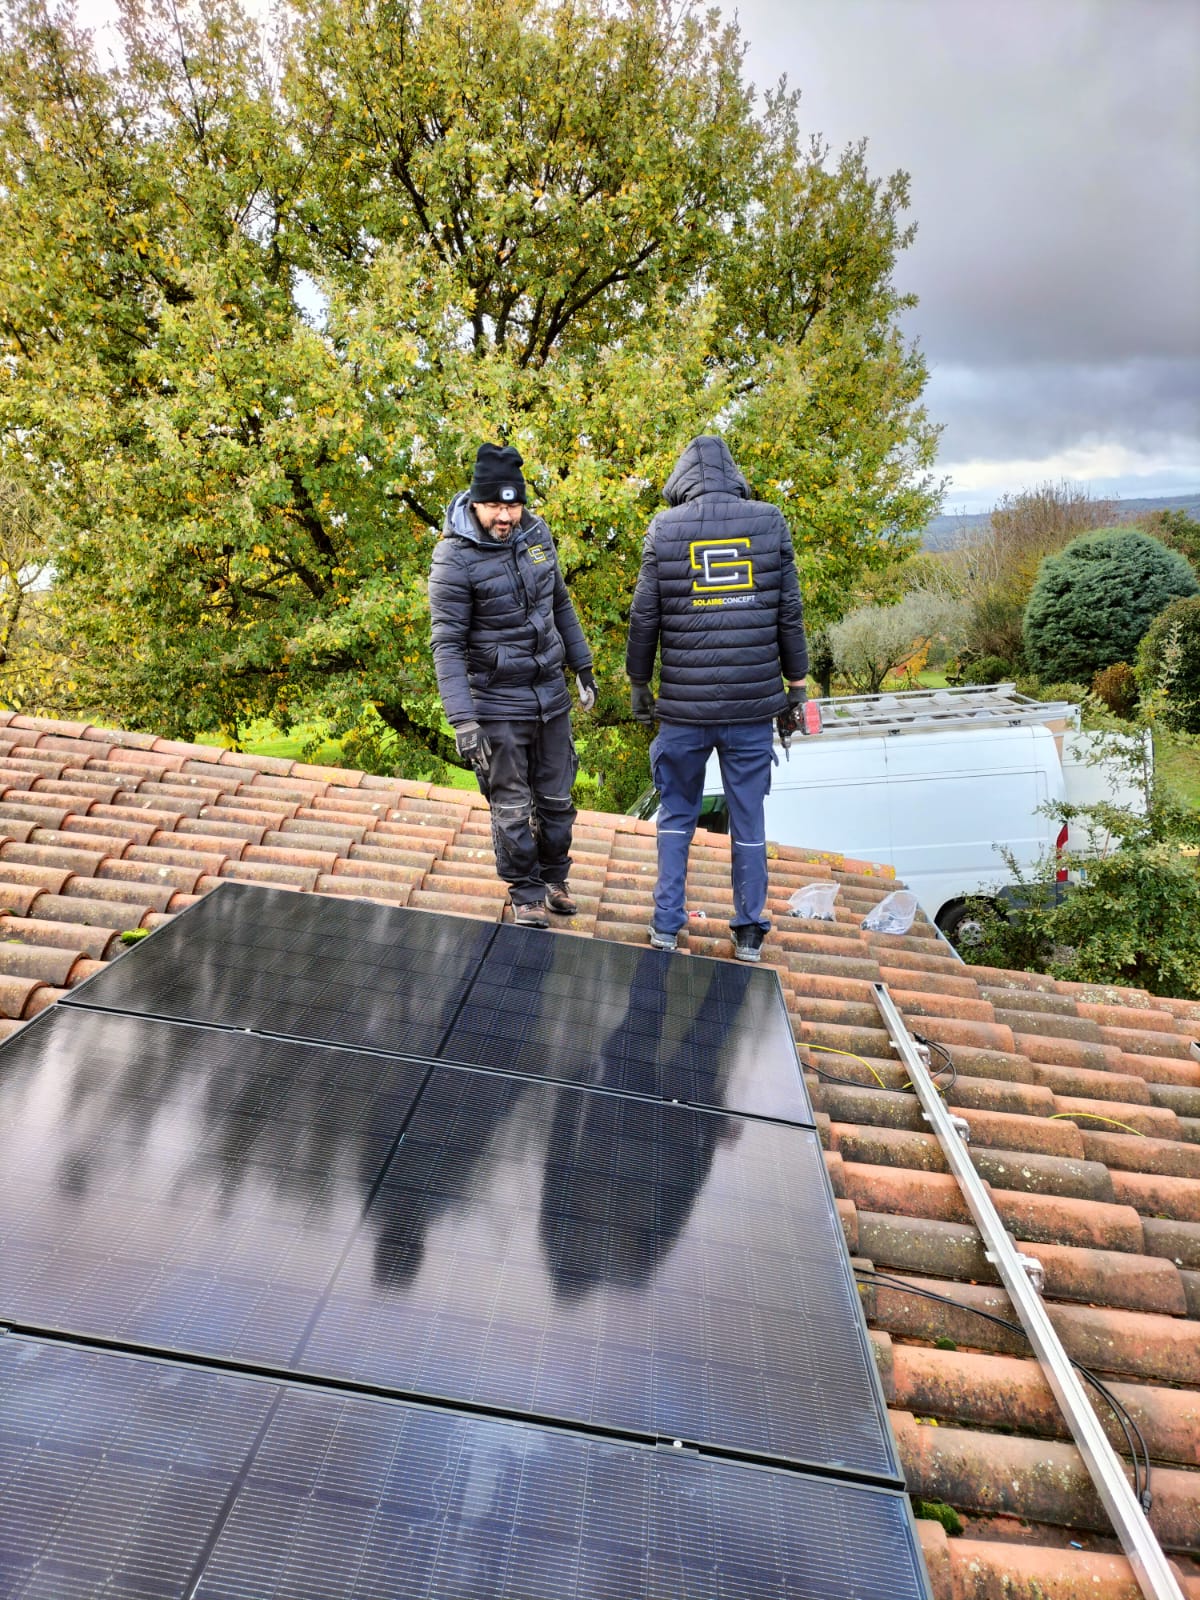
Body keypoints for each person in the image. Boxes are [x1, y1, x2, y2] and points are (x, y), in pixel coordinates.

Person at [625, 434, 811, 962]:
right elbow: (789, 616)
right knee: (748, 815)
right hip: (753, 708)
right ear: (733, 474)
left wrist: (641, 685)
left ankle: (666, 925)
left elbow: (645, 619)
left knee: (677, 813)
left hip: (684, 709)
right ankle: (749, 930)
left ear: (682, 479)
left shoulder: (665, 529)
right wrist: (796, 688)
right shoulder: (769, 521)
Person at [430, 442, 597, 928]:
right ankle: (524, 892)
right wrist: (462, 719)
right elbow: (447, 646)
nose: (505, 516)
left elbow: (560, 603)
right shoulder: (452, 559)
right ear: (475, 503)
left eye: (513, 504)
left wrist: (582, 666)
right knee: (511, 805)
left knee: (558, 800)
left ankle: (554, 878)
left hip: (550, 695)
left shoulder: (537, 533)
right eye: (495, 506)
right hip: (499, 702)